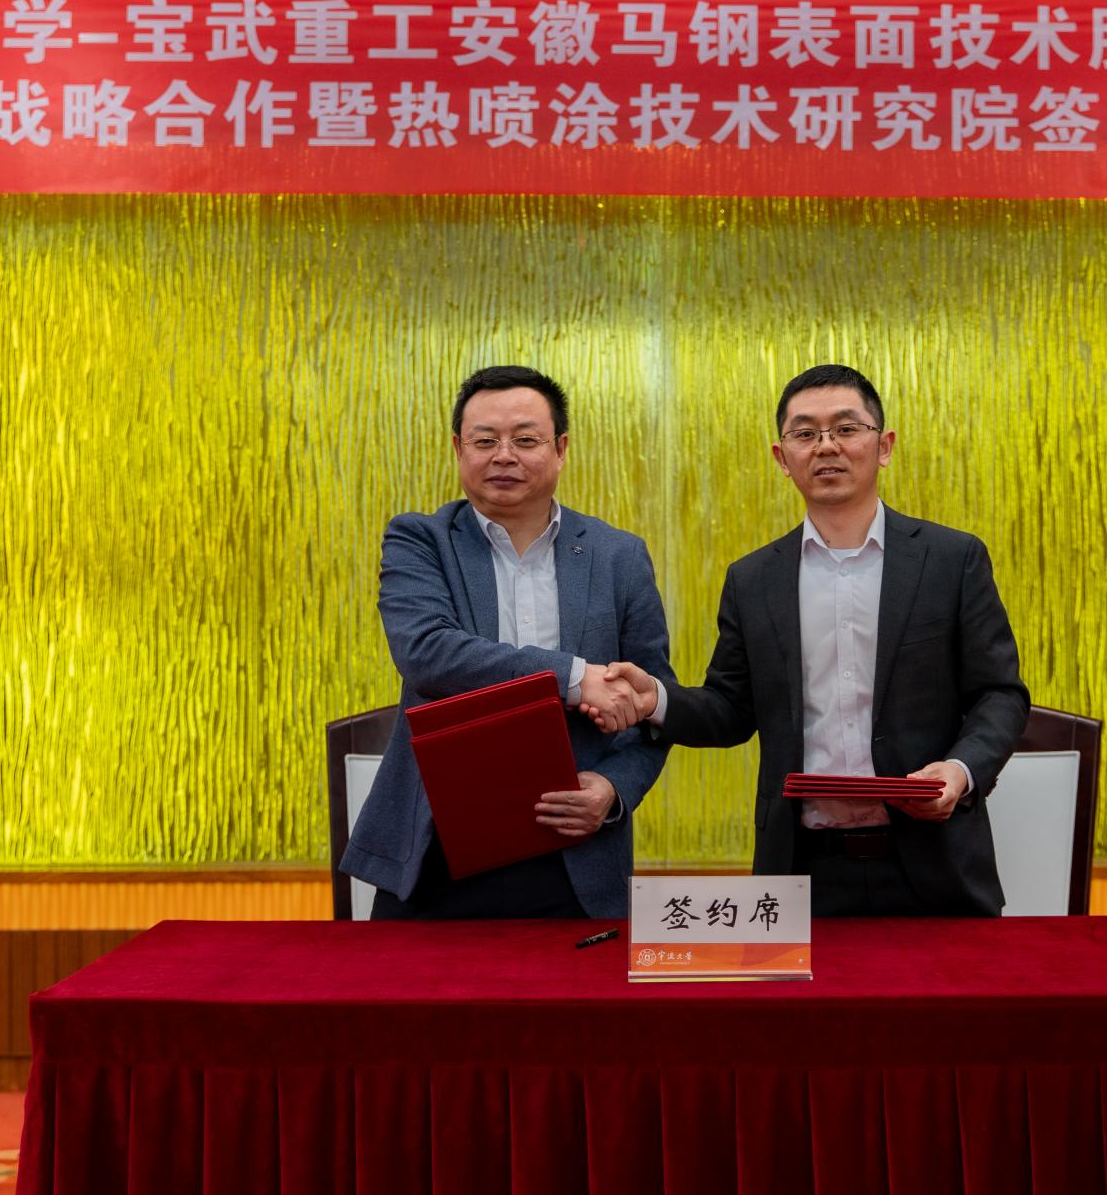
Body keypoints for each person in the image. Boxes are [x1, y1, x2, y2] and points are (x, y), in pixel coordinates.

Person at [585, 364, 1029, 917]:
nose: (827, 446)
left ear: (884, 446)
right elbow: (730, 711)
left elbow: (999, 694)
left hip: (935, 864)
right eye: (805, 433)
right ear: (782, 457)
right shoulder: (753, 580)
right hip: (801, 867)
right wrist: (656, 699)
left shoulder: (951, 560)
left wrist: (960, 771)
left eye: (846, 428)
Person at [340, 365, 672, 919]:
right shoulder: (420, 539)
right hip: (435, 851)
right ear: (458, 448)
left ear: (560, 449)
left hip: (577, 852)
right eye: (485, 440)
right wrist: (575, 677)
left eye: (525, 439)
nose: (504, 456)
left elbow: (653, 703)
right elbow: (428, 652)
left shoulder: (619, 556)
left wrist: (613, 789)